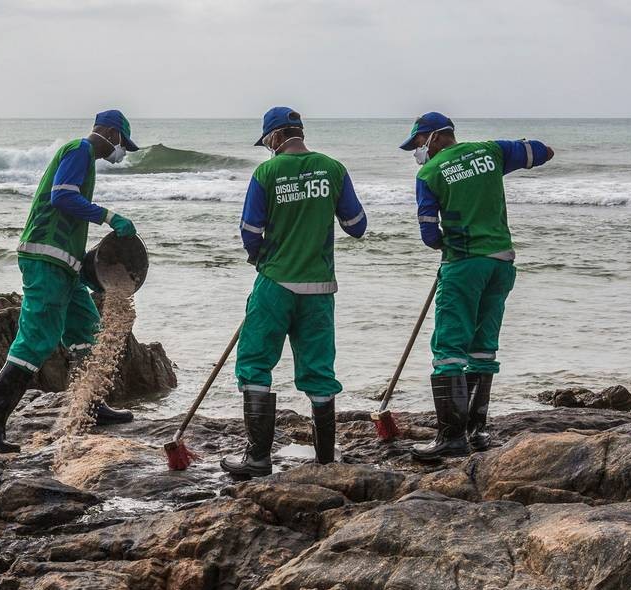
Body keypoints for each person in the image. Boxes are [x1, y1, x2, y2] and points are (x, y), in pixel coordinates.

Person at [0, 110, 140, 453]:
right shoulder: (79, 150)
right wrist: (108, 216)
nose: (120, 151)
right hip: (46, 257)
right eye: (121, 142)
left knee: (87, 329)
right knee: (37, 340)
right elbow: (62, 195)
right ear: (107, 132)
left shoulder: (85, 158)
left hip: (67, 263)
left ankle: (92, 406)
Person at [220, 107, 368, 477]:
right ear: (300, 133)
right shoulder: (333, 169)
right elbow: (356, 225)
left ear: (274, 137)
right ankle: (324, 461)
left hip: (275, 283)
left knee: (255, 362)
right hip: (319, 287)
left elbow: (250, 231)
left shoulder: (266, 172)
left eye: (266, 141)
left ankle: (257, 458)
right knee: (319, 369)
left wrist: (262, 257)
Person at [399, 112, 554, 460]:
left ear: (437, 137)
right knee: (483, 346)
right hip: (501, 261)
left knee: (449, 346)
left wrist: (446, 244)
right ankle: (476, 431)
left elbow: (428, 235)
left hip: (464, 263)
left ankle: (451, 438)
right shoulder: (491, 151)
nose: (419, 151)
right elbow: (543, 152)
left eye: (420, 143)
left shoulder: (429, 174)